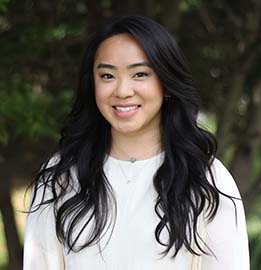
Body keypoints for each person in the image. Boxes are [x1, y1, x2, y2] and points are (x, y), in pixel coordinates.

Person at [23, 14, 249, 270]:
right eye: (107, 76)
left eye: (140, 74)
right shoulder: (62, 177)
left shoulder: (208, 180)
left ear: (166, 83)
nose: (122, 91)